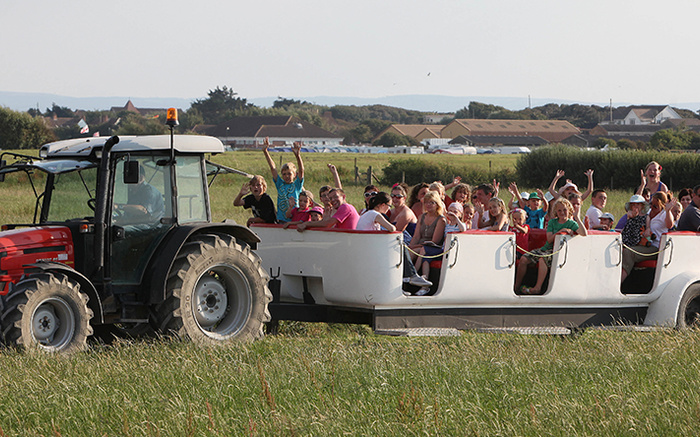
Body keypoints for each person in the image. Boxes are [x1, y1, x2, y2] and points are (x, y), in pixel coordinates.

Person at [514, 197, 587, 295]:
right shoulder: (553, 222)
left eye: (564, 210)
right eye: (559, 210)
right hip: (546, 248)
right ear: (556, 212)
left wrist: (577, 217)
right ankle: (516, 287)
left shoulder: (572, 223)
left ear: (569, 210)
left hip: (556, 251)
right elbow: (549, 239)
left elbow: (584, 233)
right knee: (523, 259)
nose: (562, 212)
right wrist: (562, 231)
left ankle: (537, 288)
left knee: (542, 259)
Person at [409, 191, 447, 294]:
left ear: (437, 204)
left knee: (421, 250)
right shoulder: (422, 217)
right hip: (421, 245)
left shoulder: (441, 220)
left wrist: (415, 246)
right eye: (426, 202)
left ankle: (414, 275)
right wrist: (410, 246)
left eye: (432, 202)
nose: (428, 205)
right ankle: (407, 279)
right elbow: (416, 236)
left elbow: (434, 241)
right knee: (409, 253)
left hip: (434, 247)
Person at [262, 137, 304, 223]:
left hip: (294, 219)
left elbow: (301, 170)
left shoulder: (297, 185)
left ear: (294, 175)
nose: (287, 176)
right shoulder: (280, 184)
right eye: (284, 174)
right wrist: (265, 152)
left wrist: (297, 156)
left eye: (289, 174)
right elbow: (273, 168)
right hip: (281, 219)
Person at [620, 194, 654, 282]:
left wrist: (648, 230)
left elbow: (648, 229)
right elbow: (625, 230)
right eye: (634, 205)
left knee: (628, 252)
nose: (636, 207)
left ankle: (621, 280)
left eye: (638, 204)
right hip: (628, 239)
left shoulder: (646, 217)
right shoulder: (629, 215)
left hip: (638, 241)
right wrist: (629, 218)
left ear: (642, 206)